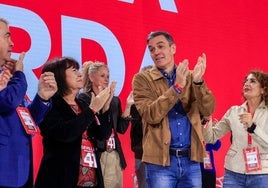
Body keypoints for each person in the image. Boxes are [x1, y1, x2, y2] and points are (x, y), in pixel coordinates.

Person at [132, 30, 216, 188]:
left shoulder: (191, 77)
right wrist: (176, 87)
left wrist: (198, 83)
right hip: (159, 163)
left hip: (191, 160)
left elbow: (208, 110)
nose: (156, 52)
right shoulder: (142, 79)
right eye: (151, 49)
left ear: (173, 49)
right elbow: (151, 115)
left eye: (160, 46)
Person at [34, 57, 111, 188]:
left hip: (91, 180)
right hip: (61, 179)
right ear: (59, 76)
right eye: (74, 70)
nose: (80, 74)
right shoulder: (50, 104)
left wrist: (104, 108)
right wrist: (92, 109)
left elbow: (102, 135)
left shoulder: (82, 104)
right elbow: (66, 133)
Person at [0, 17, 57, 188]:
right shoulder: (15, 78)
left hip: (21, 171)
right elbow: (7, 102)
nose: (12, 43)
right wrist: (19, 75)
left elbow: (27, 120)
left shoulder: (8, 76)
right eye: (7, 36)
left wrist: (42, 98)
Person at [203, 70, 268, 188]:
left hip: (262, 173)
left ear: (263, 89)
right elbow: (210, 138)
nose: (247, 84)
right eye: (246, 81)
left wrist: (253, 127)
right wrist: (207, 119)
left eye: (252, 81)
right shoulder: (234, 111)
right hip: (234, 172)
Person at [79, 61, 133, 188]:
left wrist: (129, 106)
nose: (106, 79)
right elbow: (95, 129)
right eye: (102, 76)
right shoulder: (85, 98)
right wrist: (104, 105)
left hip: (115, 154)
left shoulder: (114, 100)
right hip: (98, 154)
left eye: (108, 76)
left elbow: (121, 129)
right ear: (92, 77)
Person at [130, 65, 152, 188]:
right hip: (142, 154)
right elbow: (137, 129)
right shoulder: (135, 103)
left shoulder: (163, 102)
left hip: (163, 155)